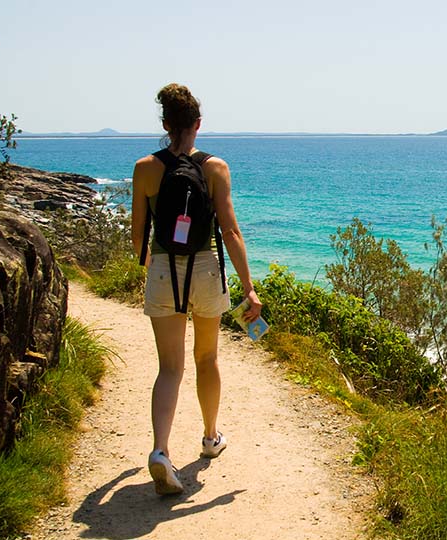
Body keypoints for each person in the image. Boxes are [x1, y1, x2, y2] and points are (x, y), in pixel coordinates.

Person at [131, 83, 262, 495]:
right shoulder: (215, 168)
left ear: (166, 124)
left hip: (164, 270)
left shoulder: (145, 168)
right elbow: (231, 231)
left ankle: (159, 452)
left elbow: (138, 236)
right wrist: (249, 289)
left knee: (169, 368)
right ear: (197, 125)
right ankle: (210, 439)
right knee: (207, 358)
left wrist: (151, 267)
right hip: (206, 270)